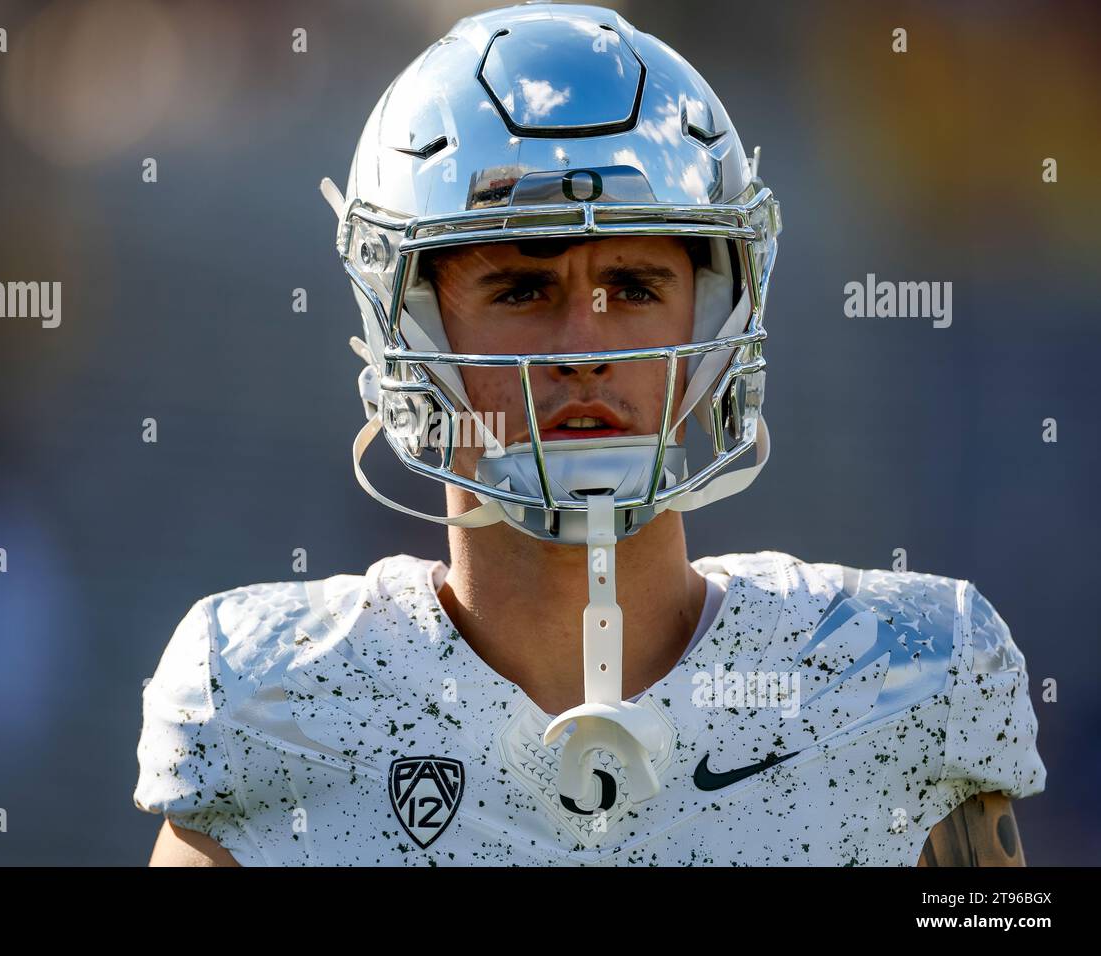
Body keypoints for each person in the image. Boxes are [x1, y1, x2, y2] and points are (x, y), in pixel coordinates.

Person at [135, 1, 1044, 866]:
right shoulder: (272, 706)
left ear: (721, 317)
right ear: (407, 326)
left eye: (637, 288)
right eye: (522, 291)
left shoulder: (906, 685)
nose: (585, 347)